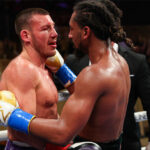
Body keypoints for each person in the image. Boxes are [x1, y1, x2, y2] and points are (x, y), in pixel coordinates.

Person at [0, 0, 131, 150]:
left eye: (72, 29)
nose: (66, 35)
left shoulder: (94, 74)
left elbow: (62, 133)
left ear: (86, 32)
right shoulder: (120, 62)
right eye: (46, 29)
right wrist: (62, 70)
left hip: (86, 144)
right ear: (26, 36)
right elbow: (88, 93)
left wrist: (12, 116)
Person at [0, 8, 76, 150]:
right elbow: (25, 134)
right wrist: (62, 137)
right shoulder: (22, 71)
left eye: (53, 27)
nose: (55, 34)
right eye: (46, 29)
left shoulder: (43, 67)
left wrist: (62, 70)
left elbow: (80, 93)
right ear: (26, 36)